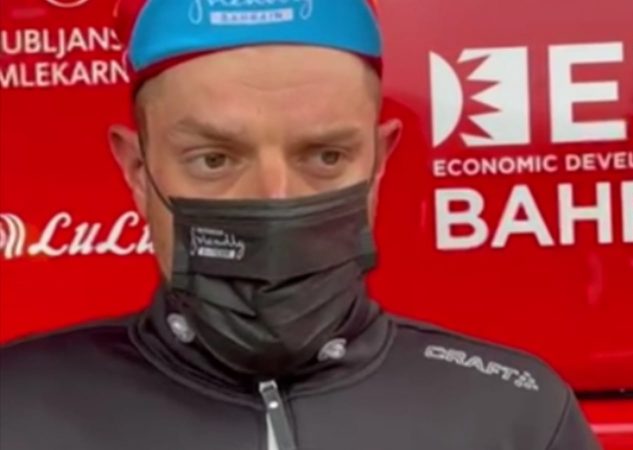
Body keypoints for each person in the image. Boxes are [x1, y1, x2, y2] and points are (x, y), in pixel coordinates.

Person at [0, 1, 602, 449]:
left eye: (325, 156)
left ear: (379, 161)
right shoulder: (15, 411)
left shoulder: (516, 417)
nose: (275, 198)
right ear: (138, 170)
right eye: (214, 160)